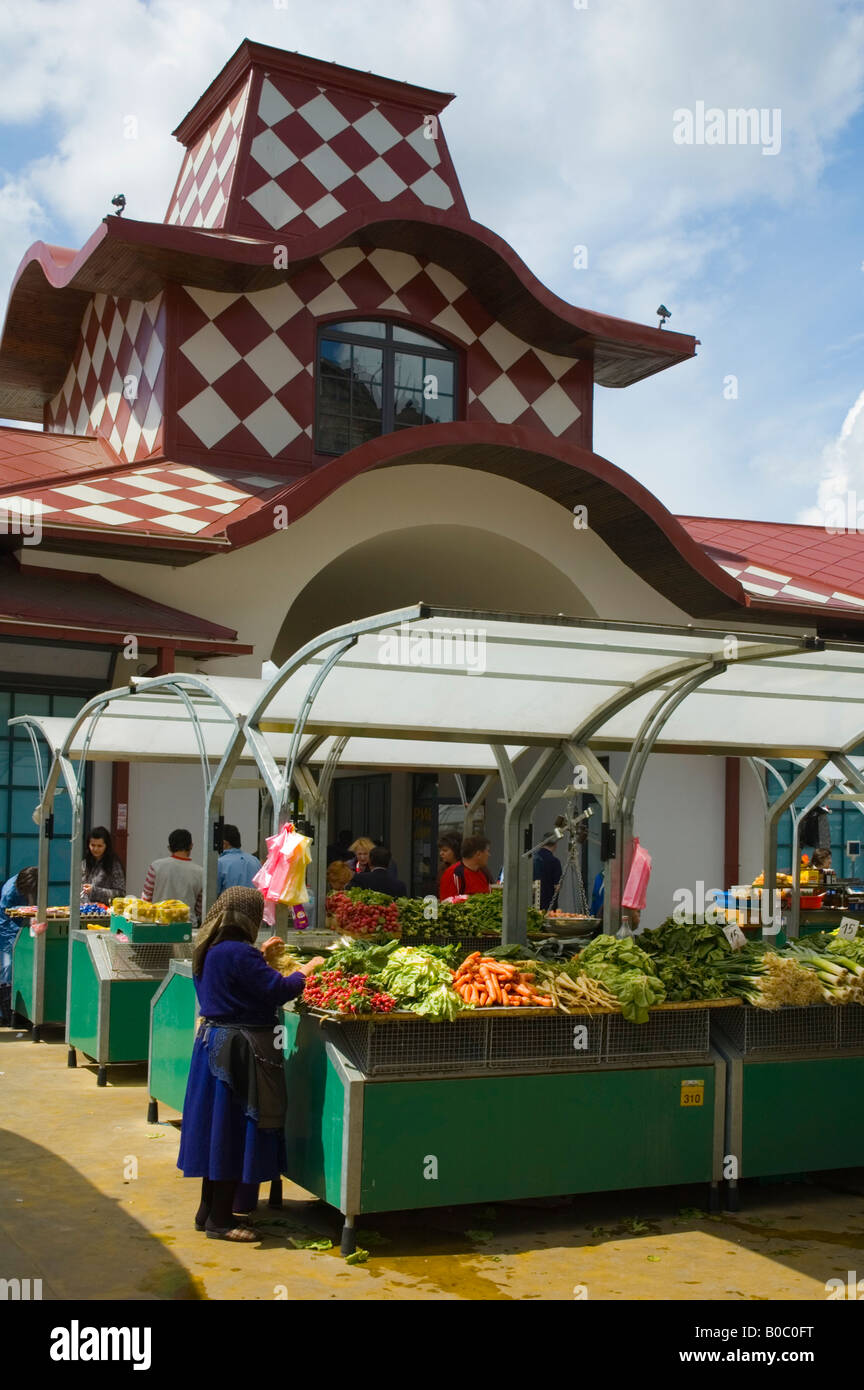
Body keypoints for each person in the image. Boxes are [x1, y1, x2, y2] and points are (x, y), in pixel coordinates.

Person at [177, 886, 324, 1242]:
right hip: (239, 1052)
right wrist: (307, 969)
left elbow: (242, 985)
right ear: (249, 918)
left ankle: (208, 1212)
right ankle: (222, 1221)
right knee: (233, 1131)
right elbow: (279, 990)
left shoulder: (209, 950)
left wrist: (263, 959)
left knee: (217, 1131)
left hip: (213, 1046)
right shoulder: (239, 954)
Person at [0, 866, 37, 1025]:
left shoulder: (31, 883)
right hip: (7, 930)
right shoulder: (10, 890)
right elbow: (5, 914)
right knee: (6, 970)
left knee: (21, 969)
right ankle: (5, 1014)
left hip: (22, 928)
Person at [141, 829, 203, 924]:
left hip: (159, 923)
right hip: (187, 926)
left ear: (169, 848)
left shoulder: (156, 866)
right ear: (191, 846)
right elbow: (200, 908)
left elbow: (146, 899)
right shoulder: (200, 872)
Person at [81, 826, 126, 906]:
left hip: (104, 913)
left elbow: (121, 894)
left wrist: (95, 891)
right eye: (92, 845)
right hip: (84, 911)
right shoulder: (85, 863)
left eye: (99, 846)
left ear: (106, 846)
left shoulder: (114, 865)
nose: (95, 849)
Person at [439, 836, 492, 900]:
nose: (489, 855)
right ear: (478, 854)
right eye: (487, 851)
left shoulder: (484, 873)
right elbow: (446, 903)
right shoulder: (453, 873)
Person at [217, 825, 261, 894]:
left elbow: (212, 895)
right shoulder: (255, 861)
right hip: (256, 904)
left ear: (224, 843)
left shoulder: (220, 863)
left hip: (230, 904)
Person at [533, 831, 563, 912]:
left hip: (532, 904)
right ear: (555, 845)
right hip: (548, 907)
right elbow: (557, 887)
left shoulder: (533, 859)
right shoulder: (554, 861)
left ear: (542, 843)